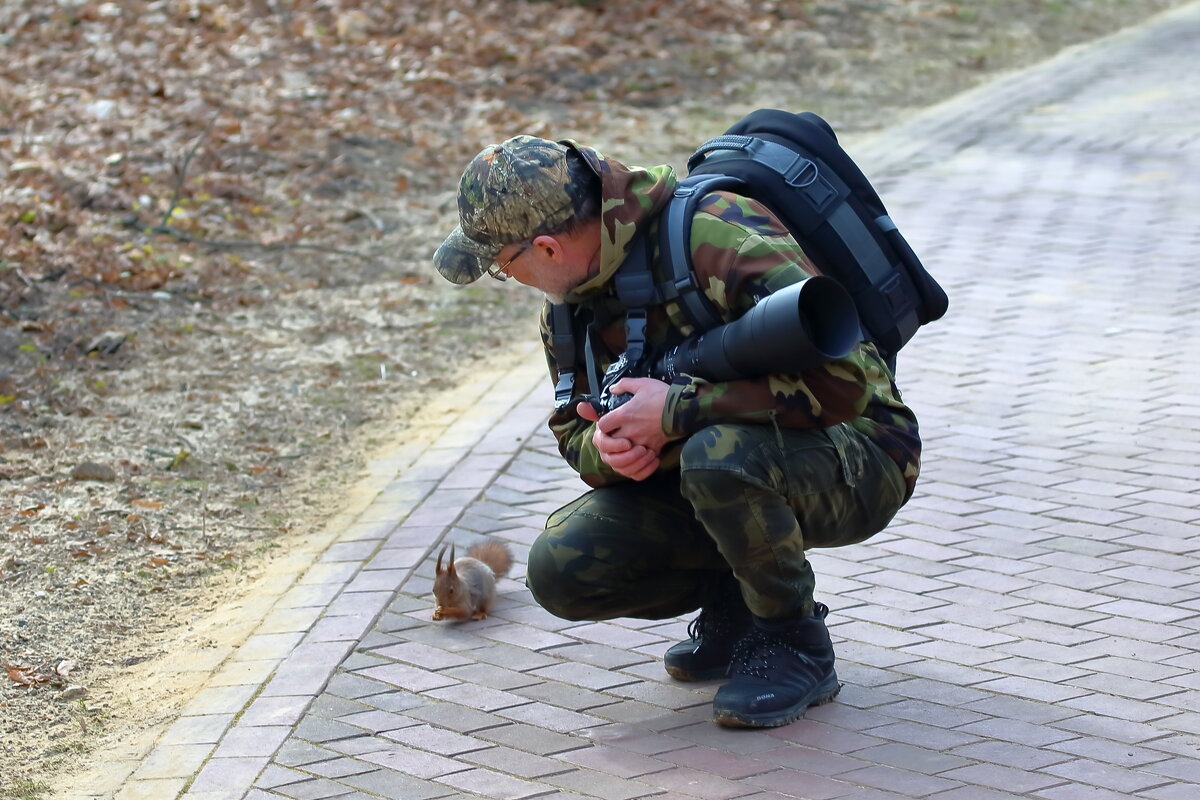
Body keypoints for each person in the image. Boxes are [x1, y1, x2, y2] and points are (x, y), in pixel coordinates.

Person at [432, 134, 920, 729]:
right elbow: (571, 427)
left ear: (547, 247)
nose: (513, 280)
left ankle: (794, 642)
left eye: (505, 267)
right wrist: (612, 448)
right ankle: (735, 607)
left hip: (861, 452)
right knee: (565, 569)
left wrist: (678, 412)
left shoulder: (713, 236)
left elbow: (850, 386)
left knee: (719, 456)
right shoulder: (567, 307)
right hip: (720, 465)